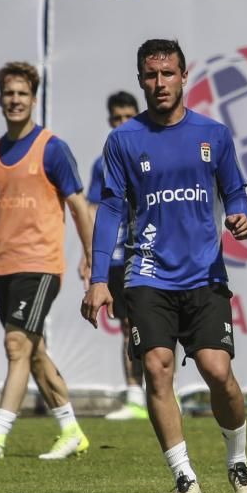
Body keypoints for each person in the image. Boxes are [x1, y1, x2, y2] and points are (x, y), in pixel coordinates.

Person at [80, 39, 247, 493]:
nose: (159, 83)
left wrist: (239, 215)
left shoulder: (214, 135)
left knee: (217, 371)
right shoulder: (124, 141)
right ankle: (184, 476)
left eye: (167, 74)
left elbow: (235, 190)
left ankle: (238, 463)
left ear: (184, 76)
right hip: (147, 275)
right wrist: (99, 279)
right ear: (141, 80)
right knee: (157, 371)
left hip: (204, 275)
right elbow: (109, 212)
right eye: (150, 75)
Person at [0, 60, 93, 462]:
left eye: (22, 94)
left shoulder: (52, 149)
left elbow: (80, 206)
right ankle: (71, 431)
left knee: (15, 345)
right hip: (3, 268)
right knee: (33, 351)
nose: (15, 100)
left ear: (33, 99)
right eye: (9, 94)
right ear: (0, 100)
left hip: (41, 265)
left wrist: (91, 257)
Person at [83, 91, 147, 421]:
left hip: (148, 253)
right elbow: (93, 209)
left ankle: (167, 391)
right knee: (127, 326)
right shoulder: (103, 162)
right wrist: (91, 254)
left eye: (128, 116)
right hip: (117, 257)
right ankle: (135, 397)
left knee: (158, 326)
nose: (122, 123)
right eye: (117, 118)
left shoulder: (151, 152)